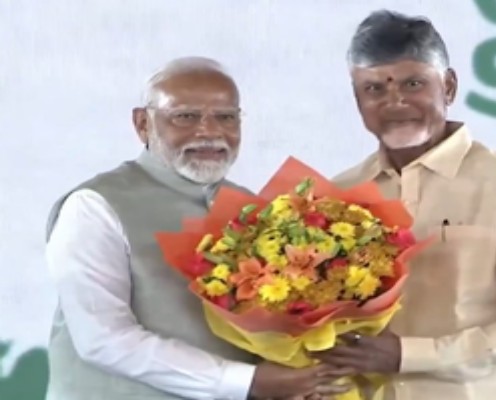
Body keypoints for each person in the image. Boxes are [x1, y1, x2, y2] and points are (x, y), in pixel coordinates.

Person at [45, 57, 351, 400]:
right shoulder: (94, 206)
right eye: (185, 116)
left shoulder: (256, 211)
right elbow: (104, 340)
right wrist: (247, 382)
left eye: (226, 117)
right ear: (143, 124)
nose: (210, 131)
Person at [314, 10, 496, 400]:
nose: (394, 101)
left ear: (449, 87)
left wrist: (411, 355)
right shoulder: (338, 195)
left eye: (413, 83)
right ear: (357, 99)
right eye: (374, 89)